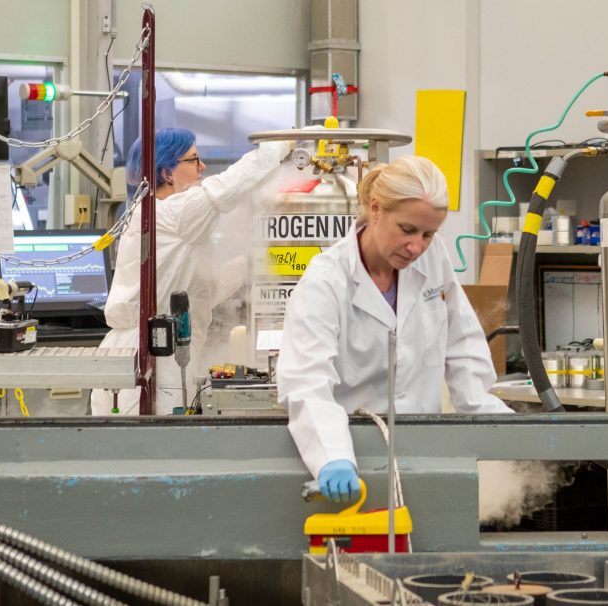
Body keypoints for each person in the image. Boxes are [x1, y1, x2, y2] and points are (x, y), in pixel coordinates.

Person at [277, 155, 514, 502]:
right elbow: (306, 383)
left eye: (429, 234)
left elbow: (461, 343)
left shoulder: (432, 259)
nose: (417, 246)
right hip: (352, 458)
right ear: (375, 209)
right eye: (407, 230)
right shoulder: (326, 281)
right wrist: (332, 458)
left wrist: (496, 421)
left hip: (423, 451)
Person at [91, 128, 290, 415]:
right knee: (154, 449)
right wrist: (282, 145)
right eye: (193, 159)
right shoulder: (173, 212)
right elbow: (229, 186)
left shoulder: (154, 212)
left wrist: (252, 263)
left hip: (151, 350)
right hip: (150, 355)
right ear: (166, 172)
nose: (202, 167)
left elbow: (201, 291)